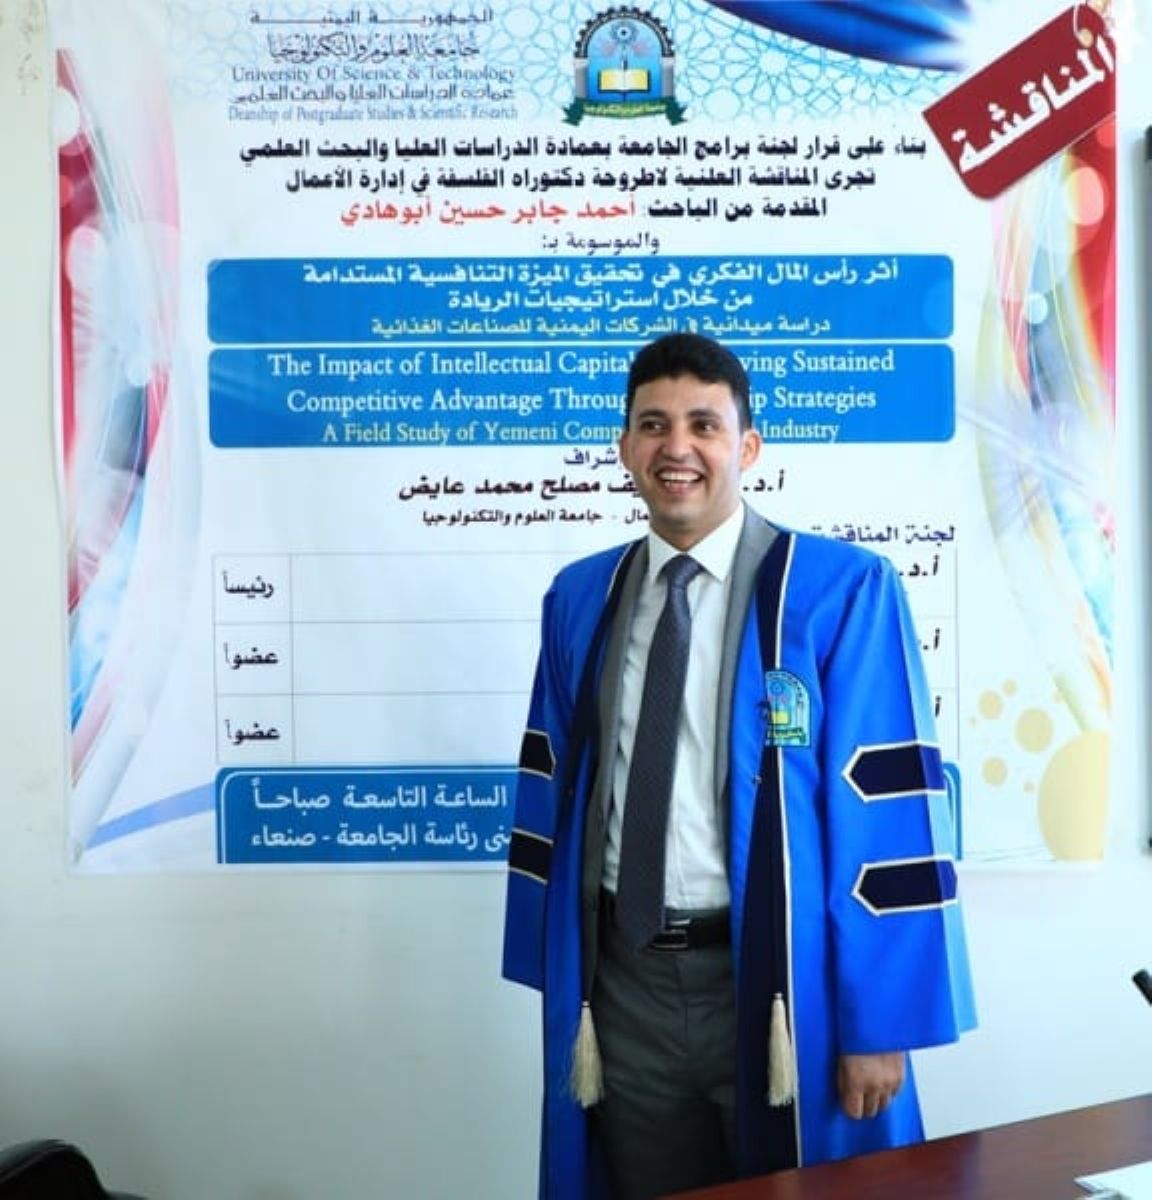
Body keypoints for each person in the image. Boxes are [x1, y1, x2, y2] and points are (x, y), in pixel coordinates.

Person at [502, 332, 975, 1200]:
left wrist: (880, 1024)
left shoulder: (840, 591)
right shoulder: (580, 598)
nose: (676, 447)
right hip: (628, 988)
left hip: (787, 985)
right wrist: (562, 968)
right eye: (653, 425)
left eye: (703, 425)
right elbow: (559, 796)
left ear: (748, 447)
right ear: (624, 447)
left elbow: (891, 818)